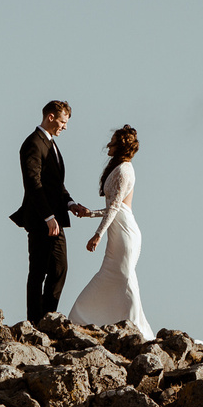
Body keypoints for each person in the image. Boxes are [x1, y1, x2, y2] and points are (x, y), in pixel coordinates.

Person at [9, 100, 93, 323]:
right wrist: (48, 217)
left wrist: (71, 204)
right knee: (38, 270)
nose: (65, 127)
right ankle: (36, 322)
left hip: (53, 218)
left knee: (59, 268)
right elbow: (33, 183)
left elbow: (55, 185)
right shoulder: (33, 144)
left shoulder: (51, 144)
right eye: (63, 122)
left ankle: (47, 318)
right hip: (40, 219)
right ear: (51, 117)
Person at [69, 124, 148, 340]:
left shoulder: (123, 170)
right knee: (113, 275)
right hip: (118, 228)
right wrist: (89, 214)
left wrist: (98, 234)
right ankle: (86, 317)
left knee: (123, 276)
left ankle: (134, 329)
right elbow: (113, 208)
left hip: (124, 232)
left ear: (121, 146)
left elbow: (115, 208)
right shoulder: (120, 168)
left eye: (112, 141)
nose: (108, 145)